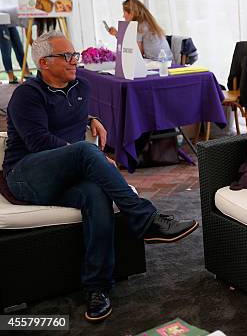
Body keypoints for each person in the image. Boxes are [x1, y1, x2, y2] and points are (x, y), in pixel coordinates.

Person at [2, 30, 199, 323]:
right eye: (66, 56)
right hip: (25, 176)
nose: (74, 61)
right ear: (43, 63)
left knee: (96, 196)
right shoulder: (26, 95)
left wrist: (92, 119)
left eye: (75, 54)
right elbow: (38, 142)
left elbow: (72, 114)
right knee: (85, 151)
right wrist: (87, 155)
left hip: (65, 176)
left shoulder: (81, 86)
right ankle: (147, 220)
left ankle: (97, 288)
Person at [107, 0, 172, 60]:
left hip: (157, 62)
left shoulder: (140, 26)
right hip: (167, 60)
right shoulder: (147, 23)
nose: (123, 16)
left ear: (131, 13)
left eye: (124, 12)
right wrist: (117, 34)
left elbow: (138, 54)